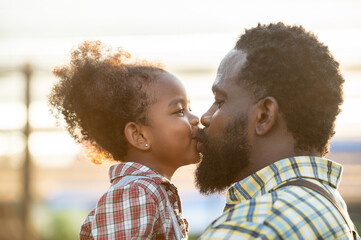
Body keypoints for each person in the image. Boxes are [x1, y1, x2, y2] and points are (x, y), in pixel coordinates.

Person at [195, 22, 360, 239]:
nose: (205, 118)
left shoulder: (252, 227)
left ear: (264, 115)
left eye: (220, 101)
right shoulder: (329, 207)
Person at [48, 41, 199, 239]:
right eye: (179, 111)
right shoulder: (137, 193)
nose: (196, 119)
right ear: (139, 136)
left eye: (189, 109)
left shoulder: (150, 191)